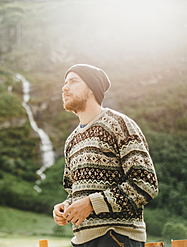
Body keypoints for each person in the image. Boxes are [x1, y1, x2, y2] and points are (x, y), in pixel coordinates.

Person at [53, 64, 159, 247]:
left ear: (92, 89)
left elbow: (146, 184)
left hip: (117, 238)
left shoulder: (120, 125)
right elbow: (74, 191)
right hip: (81, 241)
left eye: (73, 81)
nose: (65, 87)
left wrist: (92, 204)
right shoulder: (71, 140)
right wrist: (66, 206)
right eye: (65, 83)